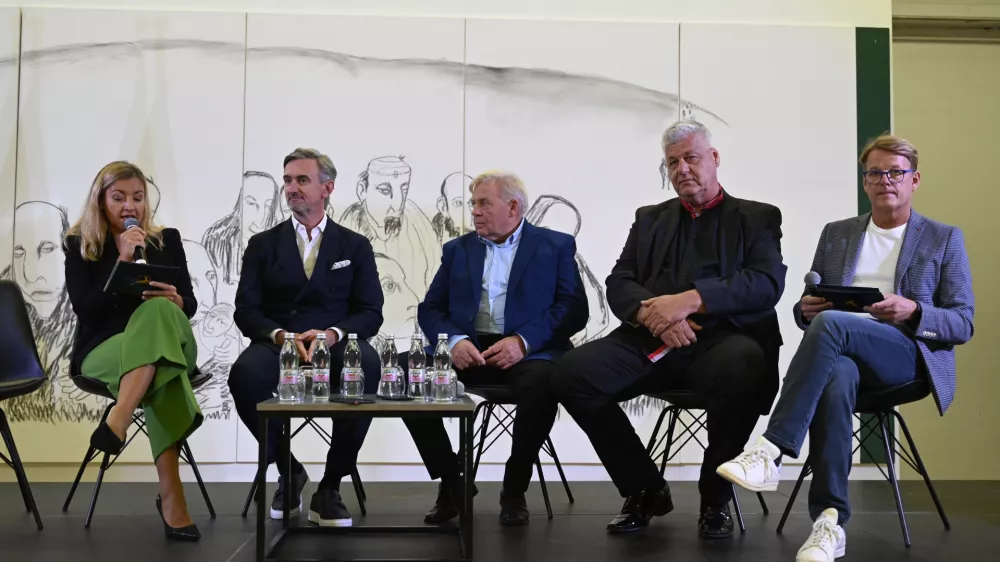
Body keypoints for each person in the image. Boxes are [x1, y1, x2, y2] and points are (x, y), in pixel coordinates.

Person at [717, 134, 975, 562]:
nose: (885, 180)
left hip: (905, 356)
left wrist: (913, 311)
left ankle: (770, 449)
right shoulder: (837, 234)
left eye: (896, 173)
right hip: (841, 354)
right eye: (875, 173)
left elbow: (963, 322)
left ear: (914, 180)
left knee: (834, 325)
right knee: (836, 377)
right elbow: (811, 305)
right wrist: (805, 309)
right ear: (865, 181)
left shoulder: (943, 238)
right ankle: (830, 522)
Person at [550, 120, 787, 537]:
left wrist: (691, 300)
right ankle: (644, 488)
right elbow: (619, 281)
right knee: (570, 373)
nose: (682, 169)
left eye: (691, 158)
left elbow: (766, 284)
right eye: (673, 162)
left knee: (746, 364)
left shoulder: (757, 217)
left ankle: (715, 498)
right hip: (651, 338)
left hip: (722, 342)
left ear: (714, 158)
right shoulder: (650, 219)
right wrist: (652, 316)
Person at [402, 171, 587, 526]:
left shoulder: (555, 245)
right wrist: (454, 341)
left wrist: (523, 341)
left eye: (484, 203)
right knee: (409, 372)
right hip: (468, 348)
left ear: (513, 207)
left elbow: (574, 309)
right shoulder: (457, 250)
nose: (475, 211)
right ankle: (453, 480)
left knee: (544, 382)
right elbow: (431, 309)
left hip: (528, 351)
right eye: (474, 203)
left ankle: (514, 488)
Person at [229, 148, 383, 527]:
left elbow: (370, 312)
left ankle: (330, 486)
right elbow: (246, 311)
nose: (292, 188)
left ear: (327, 188)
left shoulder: (355, 246)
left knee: (367, 364)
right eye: (287, 180)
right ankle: (289, 470)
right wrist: (282, 335)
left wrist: (332, 334)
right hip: (280, 343)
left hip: (334, 343)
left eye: (302, 180)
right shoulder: (262, 244)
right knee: (244, 375)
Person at [63, 161, 204, 541]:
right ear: (101, 200)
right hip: (106, 348)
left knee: (158, 311)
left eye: (138, 198)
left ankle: (118, 419)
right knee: (162, 371)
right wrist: (122, 261)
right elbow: (86, 311)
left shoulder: (165, 240)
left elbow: (190, 304)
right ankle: (172, 497)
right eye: (119, 197)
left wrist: (177, 300)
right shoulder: (80, 244)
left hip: (175, 339)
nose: (131, 206)